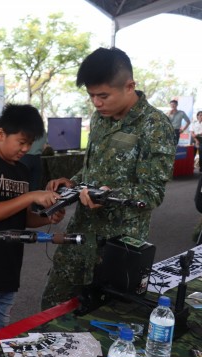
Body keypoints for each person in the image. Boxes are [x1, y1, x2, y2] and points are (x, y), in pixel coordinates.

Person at [40, 47, 175, 310]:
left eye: (103, 95)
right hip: (80, 235)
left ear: (129, 86)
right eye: (91, 96)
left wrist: (108, 195)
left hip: (117, 244)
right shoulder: (100, 119)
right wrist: (72, 182)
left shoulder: (155, 126)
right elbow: (93, 171)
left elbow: (152, 193)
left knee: (107, 315)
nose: (97, 103)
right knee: (54, 307)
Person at [0, 104, 65, 334]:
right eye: (21, 142)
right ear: (1, 134)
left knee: (0, 336)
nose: (26, 149)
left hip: (9, 269)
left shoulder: (22, 171)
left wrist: (47, 217)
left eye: (30, 143)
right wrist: (31, 196)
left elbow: (23, 216)